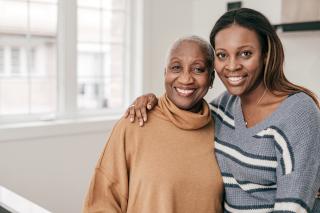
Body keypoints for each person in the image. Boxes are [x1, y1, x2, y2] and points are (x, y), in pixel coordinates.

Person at [125, 8, 320, 212]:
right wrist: (152, 101)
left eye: (245, 54)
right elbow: (183, 116)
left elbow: (293, 207)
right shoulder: (223, 106)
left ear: (266, 54)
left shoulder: (299, 113)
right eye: (222, 55)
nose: (232, 65)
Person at [83, 36, 223, 213]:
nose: (186, 78)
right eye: (176, 67)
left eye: (197, 69)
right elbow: (101, 203)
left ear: (211, 79)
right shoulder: (134, 124)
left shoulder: (223, 128)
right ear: (165, 73)